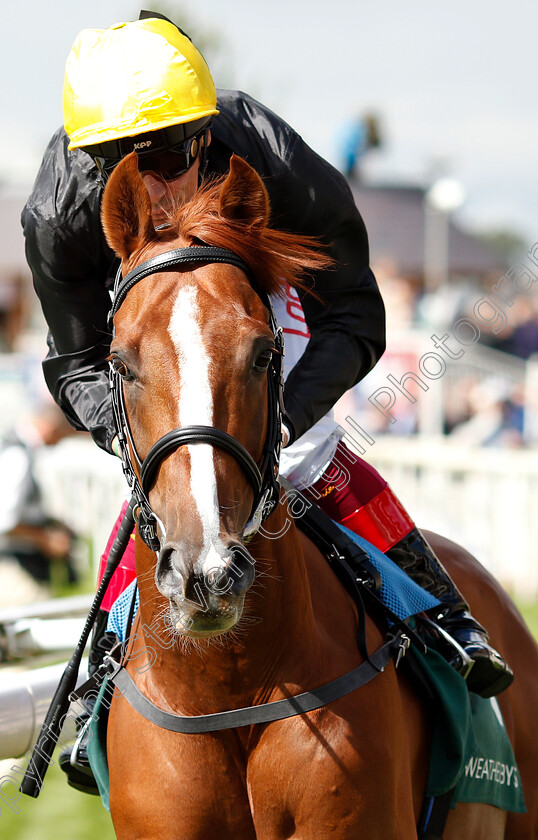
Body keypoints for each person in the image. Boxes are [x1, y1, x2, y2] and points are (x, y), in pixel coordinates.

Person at [21, 12, 512, 791]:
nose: (147, 182)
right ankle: (99, 681)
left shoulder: (270, 157)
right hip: (151, 324)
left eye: (169, 152)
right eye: (118, 159)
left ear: (207, 133)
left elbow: (358, 314)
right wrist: (148, 438)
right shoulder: (59, 212)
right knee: (168, 474)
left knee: (302, 455)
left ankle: (445, 615)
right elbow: (74, 361)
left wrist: (277, 421)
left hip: (276, 288)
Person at [0, 402, 78, 607]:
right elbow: (5, 522)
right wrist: (46, 540)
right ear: (52, 428)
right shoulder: (17, 456)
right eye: (62, 437)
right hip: (12, 568)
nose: (58, 444)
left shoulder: (15, 447)